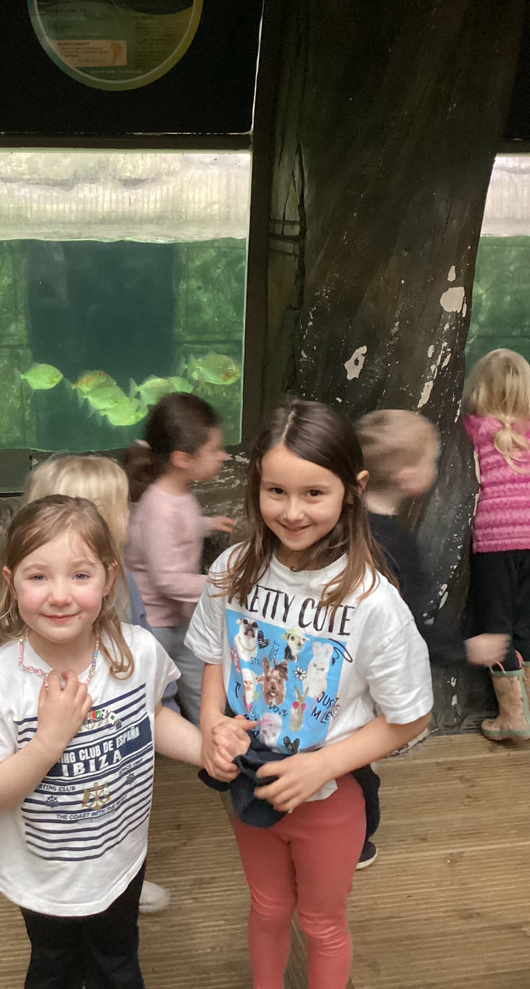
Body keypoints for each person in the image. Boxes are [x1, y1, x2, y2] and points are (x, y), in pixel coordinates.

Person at [186, 399, 432, 989]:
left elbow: (410, 716)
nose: (292, 511)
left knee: (321, 924)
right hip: (251, 783)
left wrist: (322, 765)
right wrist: (212, 722)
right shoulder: (232, 569)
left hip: (329, 798)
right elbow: (217, 653)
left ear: (354, 489)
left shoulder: (373, 601)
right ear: (256, 486)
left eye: (314, 493)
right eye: (276, 491)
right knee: (268, 908)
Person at [0, 495, 202, 989]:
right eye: (38, 576)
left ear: (108, 579)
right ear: (11, 582)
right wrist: (50, 740)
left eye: (80, 575)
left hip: (123, 858)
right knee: (55, 967)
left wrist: (207, 751)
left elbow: (152, 716)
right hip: (45, 879)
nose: (60, 595)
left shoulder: (136, 651)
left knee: (118, 962)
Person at [23, 453, 170, 915]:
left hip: (120, 721)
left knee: (117, 803)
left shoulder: (116, 576)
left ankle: (120, 878)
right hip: (82, 724)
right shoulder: (89, 594)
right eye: (123, 504)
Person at [355, 408, 464, 869]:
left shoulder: (341, 522)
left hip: (330, 659)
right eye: (431, 460)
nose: (435, 468)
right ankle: (357, 840)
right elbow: (415, 619)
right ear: (406, 476)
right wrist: (463, 649)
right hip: (371, 670)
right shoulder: (397, 544)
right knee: (358, 757)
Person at [123, 392, 236, 726]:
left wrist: (205, 524)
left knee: (202, 687)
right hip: (153, 625)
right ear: (183, 458)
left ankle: (211, 737)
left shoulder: (179, 493)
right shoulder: (158, 507)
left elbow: (177, 531)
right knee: (155, 696)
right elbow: (168, 581)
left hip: (181, 617)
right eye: (214, 450)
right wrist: (223, 584)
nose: (223, 456)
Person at [461, 348, 530, 740]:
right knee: (526, 625)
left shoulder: (472, 427)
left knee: (497, 627)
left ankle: (512, 718)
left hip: (496, 541)